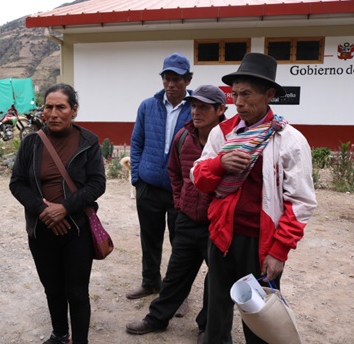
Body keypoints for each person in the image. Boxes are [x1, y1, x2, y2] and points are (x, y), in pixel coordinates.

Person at [190, 53, 317, 344]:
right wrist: (220, 165)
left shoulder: (289, 140)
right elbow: (199, 178)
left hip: (261, 242)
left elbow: (301, 202)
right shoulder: (223, 133)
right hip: (222, 235)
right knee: (217, 308)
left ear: (269, 94)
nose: (239, 102)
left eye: (246, 94)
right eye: (234, 94)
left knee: (259, 314)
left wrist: (279, 251)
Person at [126, 85, 227, 344]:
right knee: (175, 274)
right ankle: (157, 319)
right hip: (187, 218)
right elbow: (174, 172)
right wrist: (181, 201)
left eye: (204, 107)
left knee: (216, 279)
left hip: (217, 225)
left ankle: (207, 325)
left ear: (220, 110)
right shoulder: (184, 137)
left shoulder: (231, 139)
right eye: (194, 106)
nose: (196, 111)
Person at [10, 83, 106, 344]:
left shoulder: (88, 141)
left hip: (76, 230)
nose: (53, 113)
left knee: (76, 292)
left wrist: (64, 208)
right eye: (48, 107)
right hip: (41, 230)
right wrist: (43, 211)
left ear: (73, 110)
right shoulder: (31, 143)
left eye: (60, 107)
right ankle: (60, 335)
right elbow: (17, 183)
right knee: (52, 289)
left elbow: (97, 184)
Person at [127, 52, 193, 313]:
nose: (171, 83)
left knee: (182, 245)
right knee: (150, 239)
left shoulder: (196, 107)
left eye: (177, 78)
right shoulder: (147, 106)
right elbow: (136, 143)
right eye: (167, 77)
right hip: (149, 187)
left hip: (181, 191)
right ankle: (150, 282)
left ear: (187, 80)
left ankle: (179, 294)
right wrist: (137, 178)